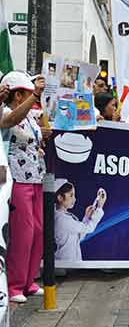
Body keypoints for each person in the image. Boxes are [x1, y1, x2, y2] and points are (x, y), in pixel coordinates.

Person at [0, 71, 47, 303]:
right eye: (28, 94)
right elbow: (9, 122)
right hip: (17, 180)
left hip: (36, 178)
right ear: (18, 95)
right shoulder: (8, 112)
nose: (33, 98)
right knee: (23, 233)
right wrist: (34, 95)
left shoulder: (30, 116)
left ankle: (29, 281)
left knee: (38, 231)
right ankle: (14, 284)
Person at [53, 181, 107, 261]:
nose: (74, 199)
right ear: (60, 197)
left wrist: (87, 217)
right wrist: (99, 207)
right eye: (71, 195)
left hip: (69, 263)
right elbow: (89, 228)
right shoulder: (61, 219)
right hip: (66, 264)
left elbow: (78, 237)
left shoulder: (63, 216)